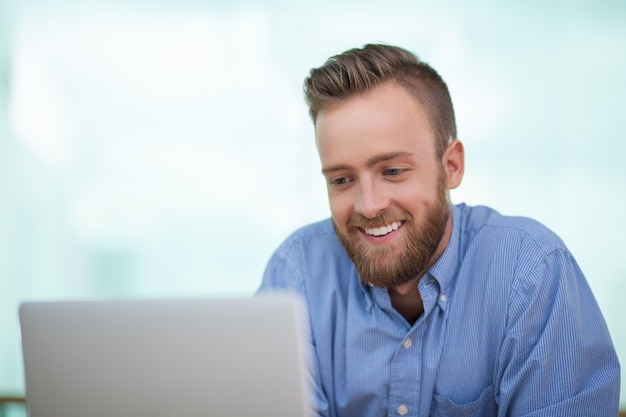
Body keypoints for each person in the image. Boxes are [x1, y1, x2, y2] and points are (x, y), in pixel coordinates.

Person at [257, 43, 620, 416]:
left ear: (451, 166)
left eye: (393, 171)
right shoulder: (295, 273)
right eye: (342, 179)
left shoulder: (529, 272)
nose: (368, 205)